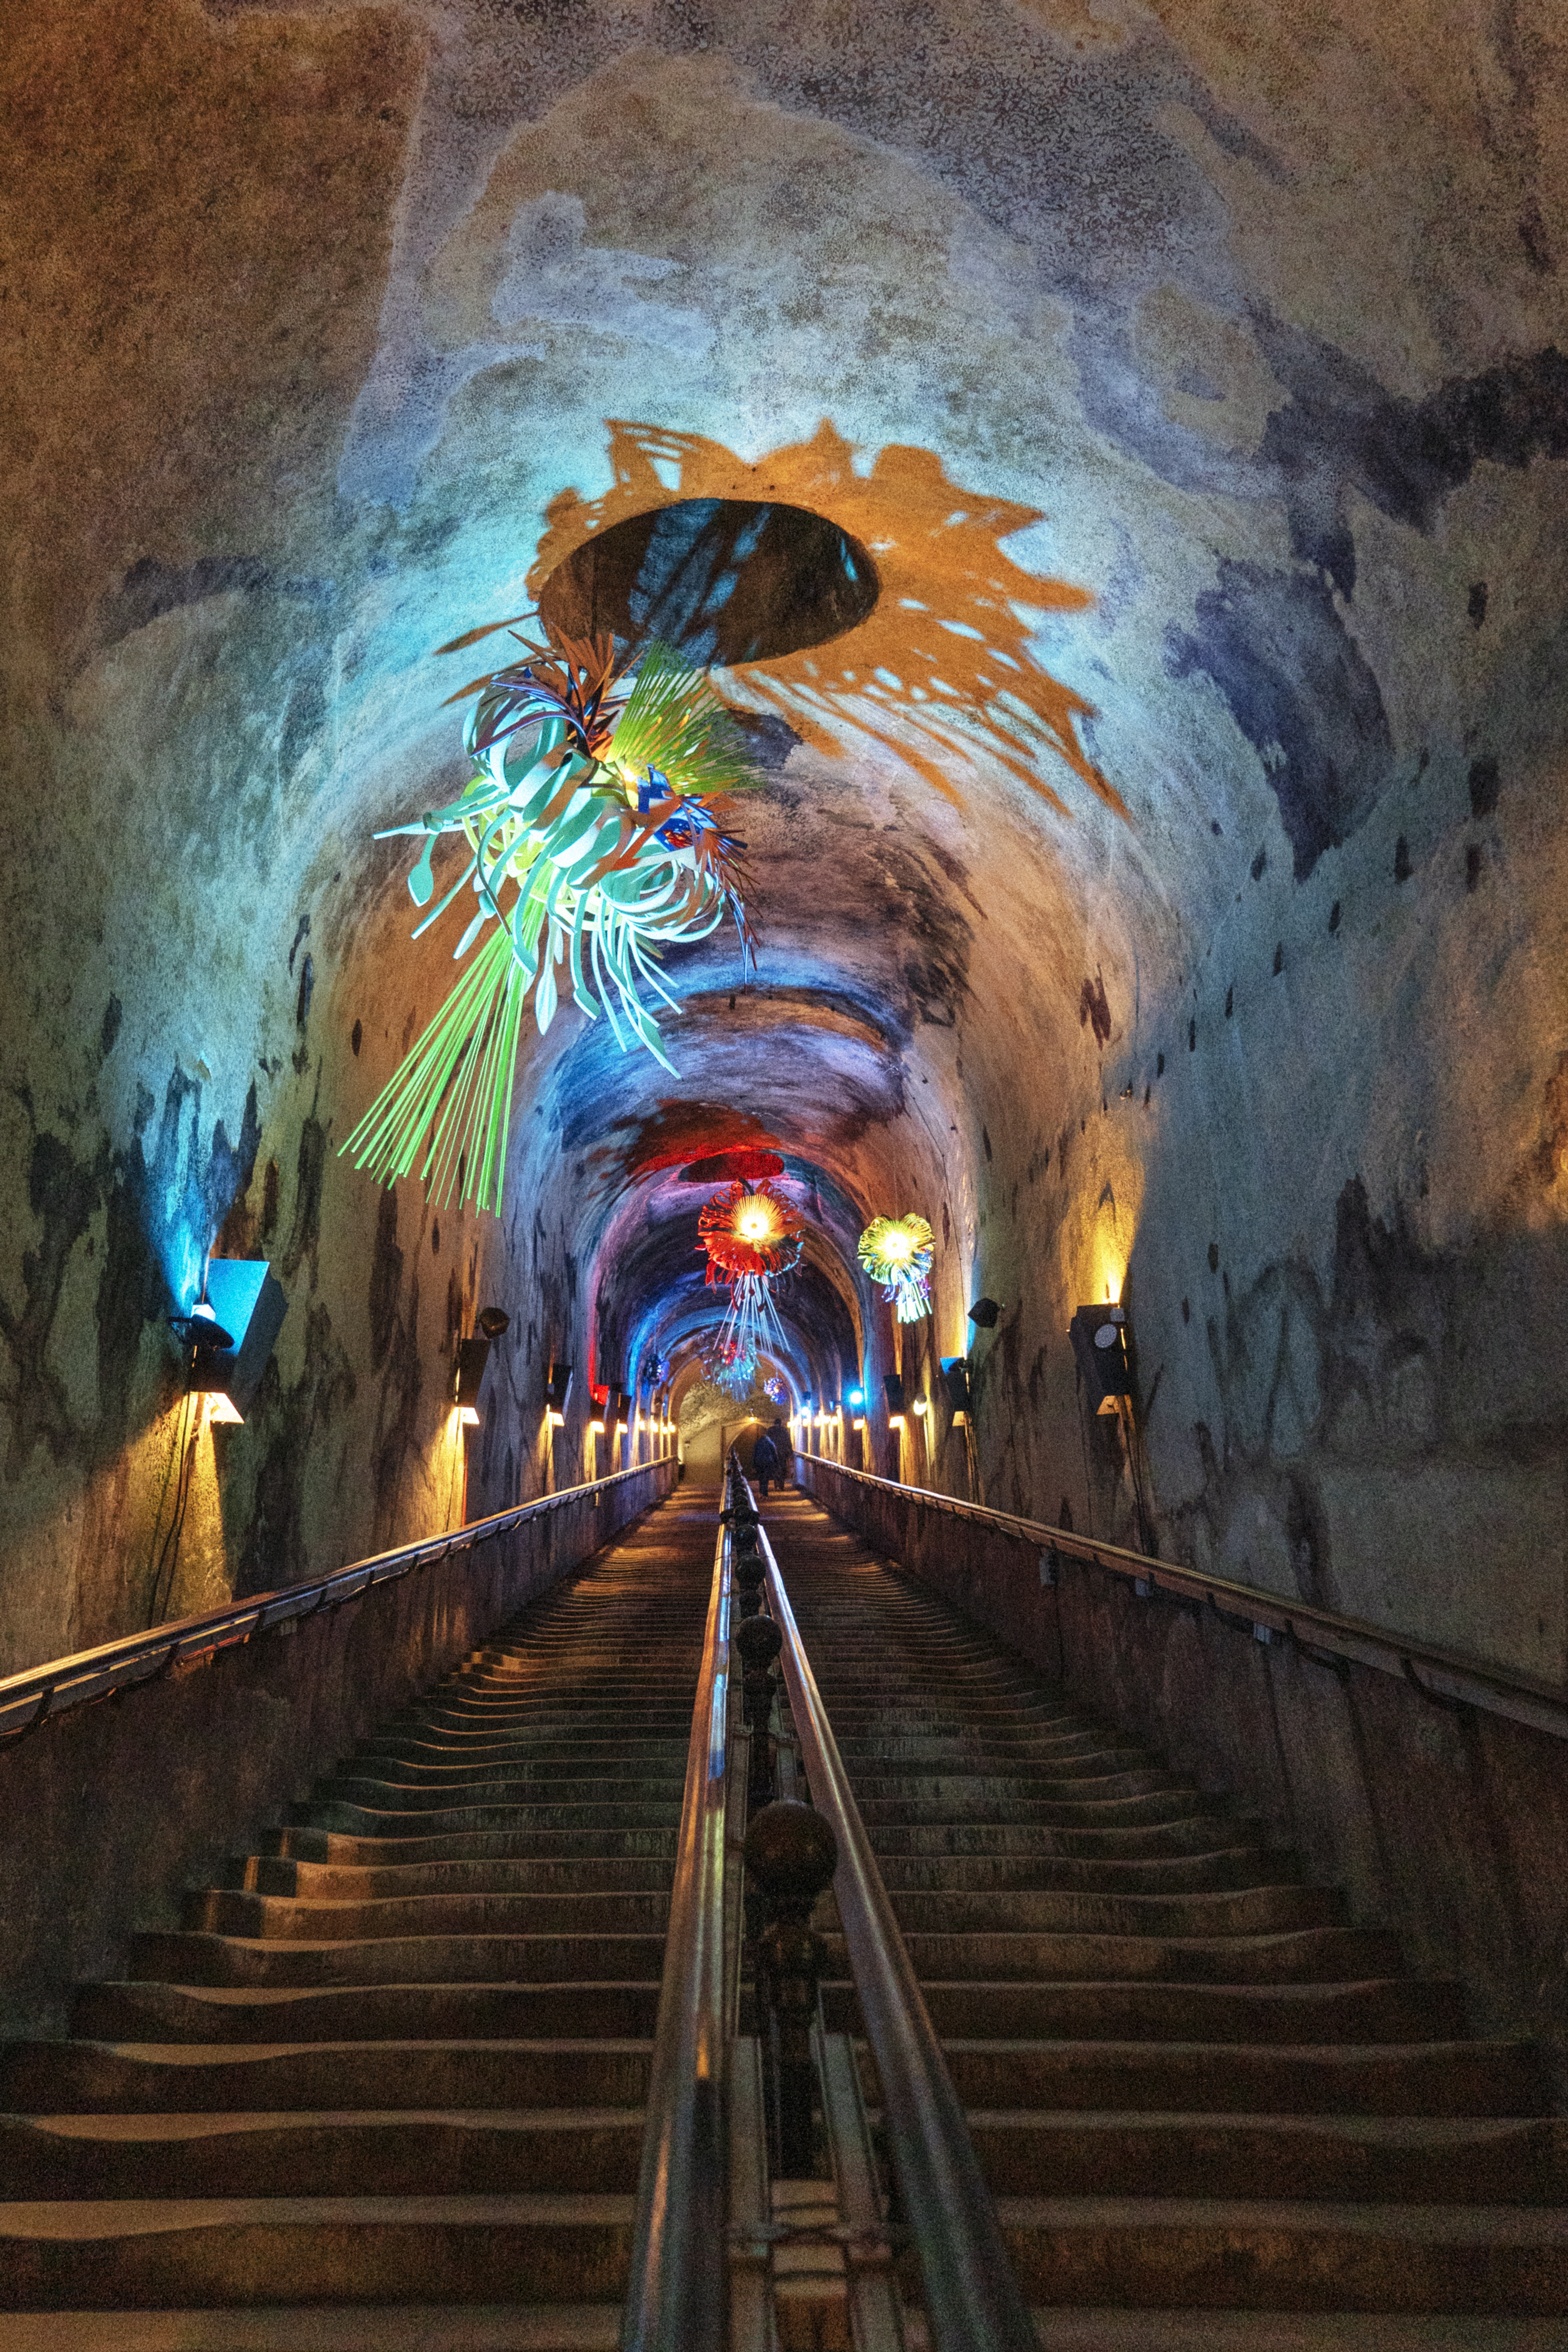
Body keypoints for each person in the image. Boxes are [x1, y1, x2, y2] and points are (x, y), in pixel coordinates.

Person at [752, 1425, 779, 1498]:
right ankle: (765, 1493)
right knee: (766, 1478)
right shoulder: (771, 1443)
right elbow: (775, 1454)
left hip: (759, 1462)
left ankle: (761, 1492)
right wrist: (777, 1463)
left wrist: (753, 1464)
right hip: (768, 1462)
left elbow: (754, 1454)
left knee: (761, 1478)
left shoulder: (757, 1444)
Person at [768, 1416, 793, 1489]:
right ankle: (782, 1484)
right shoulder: (784, 1430)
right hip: (782, 1453)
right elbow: (788, 1441)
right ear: (780, 1423)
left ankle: (776, 1483)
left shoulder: (770, 1431)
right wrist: (790, 1451)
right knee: (783, 1468)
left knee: (775, 1468)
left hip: (773, 1453)